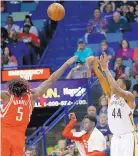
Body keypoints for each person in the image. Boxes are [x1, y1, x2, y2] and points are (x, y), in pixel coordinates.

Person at [0, 56, 77, 156]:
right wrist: (66, 64)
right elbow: (51, 80)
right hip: (18, 140)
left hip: (3, 137)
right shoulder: (32, 97)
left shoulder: (7, 96)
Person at [86, 54, 138, 156]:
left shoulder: (129, 96)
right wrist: (95, 67)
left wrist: (106, 69)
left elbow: (116, 89)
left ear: (124, 86)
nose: (114, 83)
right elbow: (102, 79)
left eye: (117, 82)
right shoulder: (111, 95)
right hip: (115, 138)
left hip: (128, 137)